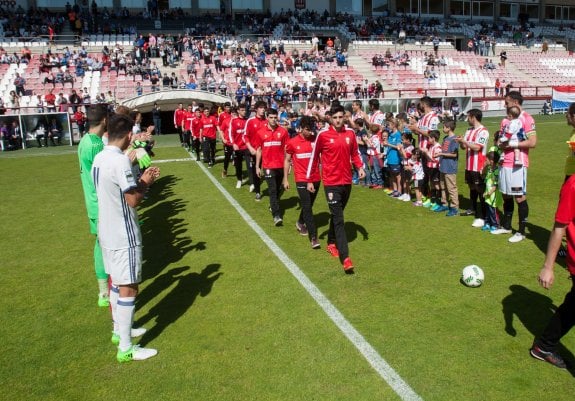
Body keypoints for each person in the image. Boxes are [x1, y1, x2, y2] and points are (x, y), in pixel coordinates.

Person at [92, 113, 161, 362]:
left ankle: (118, 330)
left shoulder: (100, 157)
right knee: (129, 287)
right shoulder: (120, 162)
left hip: (106, 231)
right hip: (123, 233)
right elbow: (132, 200)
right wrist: (145, 181)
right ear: (130, 136)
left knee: (116, 282)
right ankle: (126, 347)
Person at [307, 105, 365, 273]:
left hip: (347, 181)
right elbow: (314, 157)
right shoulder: (323, 135)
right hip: (331, 183)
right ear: (330, 118)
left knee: (336, 214)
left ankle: (331, 242)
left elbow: (355, 153)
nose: (338, 120)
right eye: (335, 117)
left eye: (341, 117)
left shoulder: (350, 134)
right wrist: (310, 179)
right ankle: (346, 258)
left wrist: (359, 167)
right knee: (339, 219)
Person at [529, 174, 575, 370]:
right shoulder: (573, 185)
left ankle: (544, 346)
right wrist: (548, 266)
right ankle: (544, 346)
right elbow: (559, 227)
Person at [491, 91, 537, 243]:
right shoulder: (506, 120)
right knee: (505, 194)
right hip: (505, 162)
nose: (505, 105)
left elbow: (532, 142)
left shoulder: (527, 118)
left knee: (519, 196)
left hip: (518, 163)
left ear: (515, 102)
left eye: (507, 102)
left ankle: (521, 232)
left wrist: (512, 144)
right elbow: (501, 139)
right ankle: (507, 226)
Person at [77, 105, 110, 307]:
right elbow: (104, 176)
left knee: (100, 243)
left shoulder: (84, 141)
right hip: (100, 203)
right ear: (105, 120)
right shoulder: (96, 144)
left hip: (92, 202)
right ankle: (104, 292)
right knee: (103, 244)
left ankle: (104, 290)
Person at [283, 116, 321, 248]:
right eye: (307, 129)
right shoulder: (292, 142)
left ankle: (300, 222)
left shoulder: (315, 141)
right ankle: (314, 237)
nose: (310, 132)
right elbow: (287, 160)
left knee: (309, 205)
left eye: (311, 129)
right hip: (301, 179)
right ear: (300, 128)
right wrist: (285, 178)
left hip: (316, 178)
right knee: (307, 207)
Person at [254, 108, 289, 226]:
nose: (273, 120)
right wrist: (257, 167)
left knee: (279, 189)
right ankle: (276, 215)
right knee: (272, 190)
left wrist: (289, 165)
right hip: (268, 166)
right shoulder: (260, 132)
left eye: (275, 118)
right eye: (271, 118)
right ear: (267, 118)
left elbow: (287, 150)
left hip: (280, 165)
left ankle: (273, 204)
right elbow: (259, 150)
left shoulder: (283, 132)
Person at [457, 108, 489, 228]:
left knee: (480, 189)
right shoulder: (469, 130)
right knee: (471, 187)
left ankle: (483, 215)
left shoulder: (483, 131)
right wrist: (461, 142)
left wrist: (464, 141)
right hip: (469, 165)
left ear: (473, 117)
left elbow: (477, 147)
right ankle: (472, 208)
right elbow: (464, 148)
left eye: (468, 117)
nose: (467, 119)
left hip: (478, 165)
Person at [244, 101, 268, 201]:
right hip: (253, 151)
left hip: (266, 152)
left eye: (264, 108)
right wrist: (250, 148)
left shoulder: (267, 121)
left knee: (270, 172)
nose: (263, 110)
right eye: (261, 108)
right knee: (256, 172)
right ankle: (258, 191)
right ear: (256, 109)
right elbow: (245, 136)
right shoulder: (250, 121)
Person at [436, 119, 459, 216]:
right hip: (443, 166)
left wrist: (441, 153)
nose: (443, 128)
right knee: (443, 187)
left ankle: (454, 207)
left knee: (451, 188)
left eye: (444, 127)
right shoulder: (445, 138)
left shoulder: (455, 139)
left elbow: (454, 155)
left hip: (450, 167)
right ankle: (444, 203)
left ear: (449, 128)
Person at [228, 103, 248, 188]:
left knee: (250, 165)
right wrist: (233, 144)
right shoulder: (233, 121)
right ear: (238, 111)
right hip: (237, 147)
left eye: (245, 110)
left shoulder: (247, 120)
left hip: (246, 146)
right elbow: (230, 133)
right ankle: (239, 179)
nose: (244, 112)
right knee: (238, 164)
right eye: (242, 110)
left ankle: (253, 183)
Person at [482, 151, 503, 232]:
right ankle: (487, 223)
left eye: (486, 159)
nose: (485, 161)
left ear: (491, 161)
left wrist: (489, 193)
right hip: (487, 194)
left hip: (493, 195)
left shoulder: (497, 171)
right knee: (488, 209)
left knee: (492, 210)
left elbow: (495, 184)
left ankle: (495, 224)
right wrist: (484, 166)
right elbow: (483, 175)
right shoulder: (489, 169)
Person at [422, 130, 442, 210]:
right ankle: (432, 200)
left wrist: (426, 152)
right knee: (432, 184)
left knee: (437, 185)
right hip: (430, 168)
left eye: (429, 138)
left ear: (433, 138)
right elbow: (429, 158)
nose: (427, 140)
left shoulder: (438, 147)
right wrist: (425, 153)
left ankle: (438, 201)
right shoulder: (431, 146)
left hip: (435, 169)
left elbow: (435, 160)